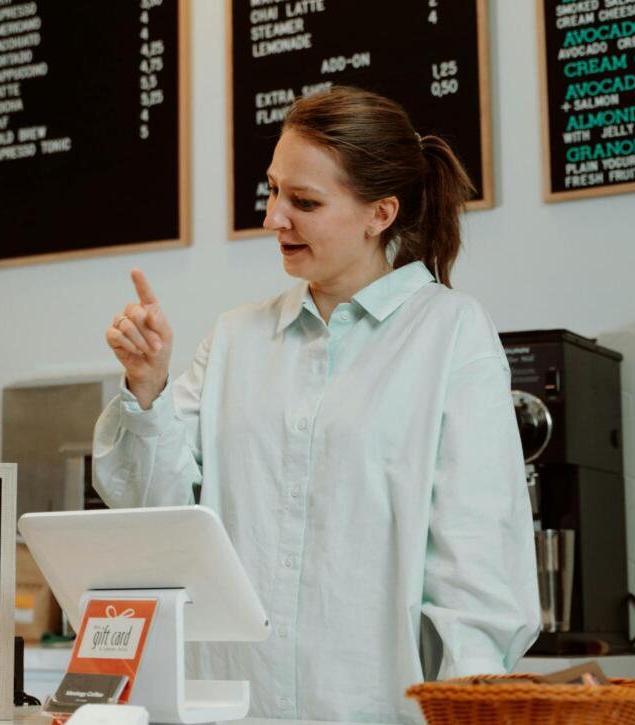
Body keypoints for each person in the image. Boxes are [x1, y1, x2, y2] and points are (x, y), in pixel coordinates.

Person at [93, 87, 539, 723]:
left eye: (304, 201)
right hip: (233, 708)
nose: (274, 218)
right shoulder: (234, 339)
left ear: (379, 213)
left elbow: (479, 572)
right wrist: (147, 386)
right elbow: (153, 517)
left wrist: (467, 707)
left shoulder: (450, 334)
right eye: (272, 191)